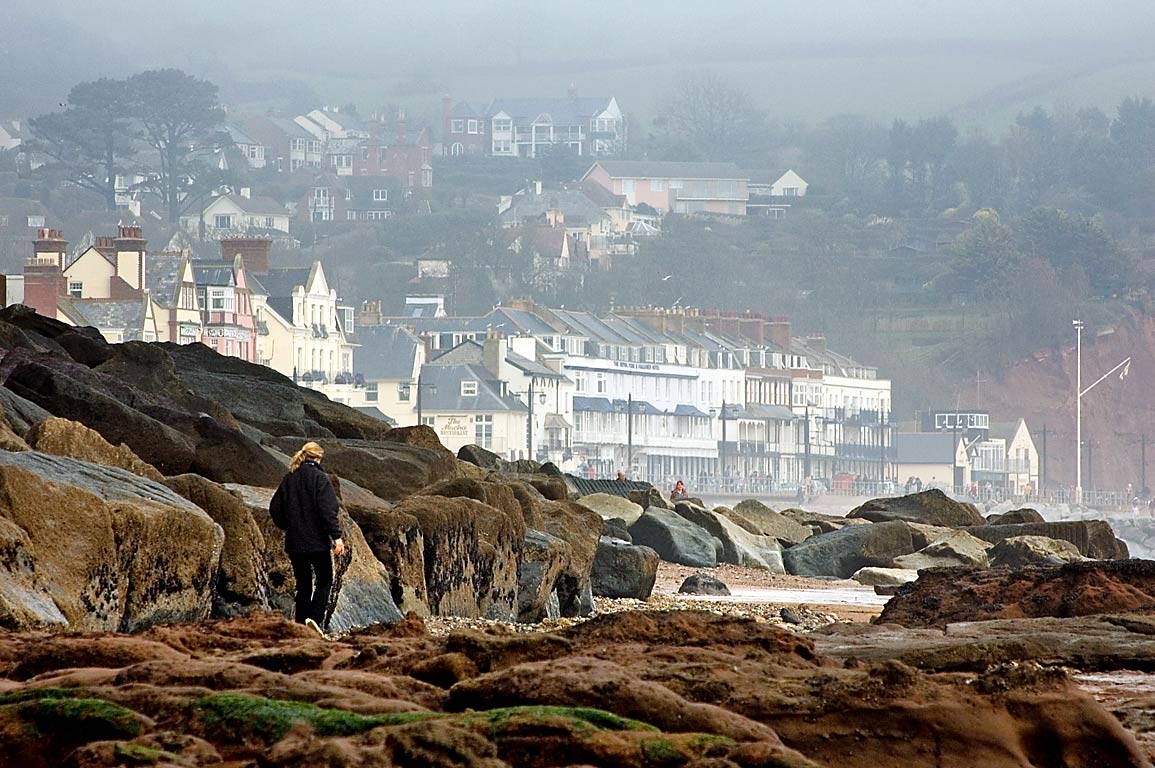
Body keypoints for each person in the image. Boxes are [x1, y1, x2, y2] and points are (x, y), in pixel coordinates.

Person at [269, 441, 346, 636]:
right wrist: (336, 537)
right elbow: (327, 511)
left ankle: (300, 626)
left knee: (303, 585)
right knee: (324, 580)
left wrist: (288, 526)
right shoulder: (321, 479)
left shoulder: (289, 478)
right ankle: (314, 618)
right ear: (319, 458)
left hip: (295, 542)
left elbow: (275, 508)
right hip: (318, 542)